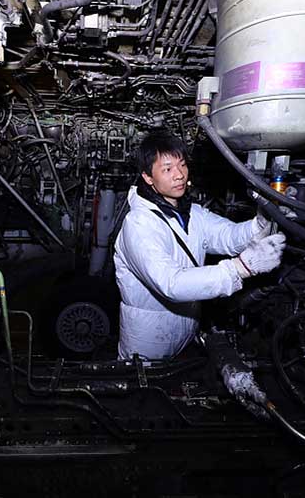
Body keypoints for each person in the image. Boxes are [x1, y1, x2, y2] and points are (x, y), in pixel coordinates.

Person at [114, 132, 286, 360]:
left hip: (185, 333)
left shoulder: (191, 212)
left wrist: (260, 223)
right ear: (147, 177)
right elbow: (171, 284)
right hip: (148, 345)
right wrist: (241, 268)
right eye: (167, 169)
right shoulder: (139, 224)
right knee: (147, 395)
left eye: (182, 165)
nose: (179, 175)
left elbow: (228, 236)